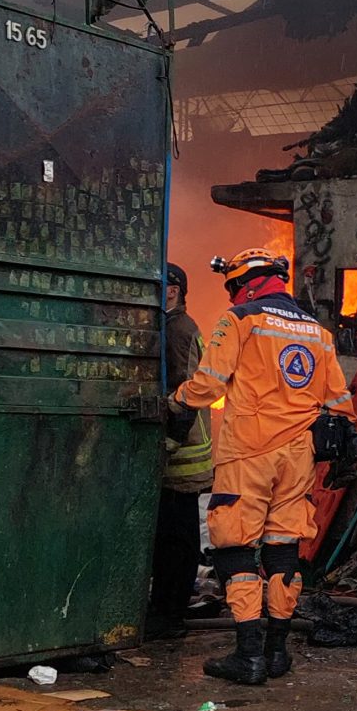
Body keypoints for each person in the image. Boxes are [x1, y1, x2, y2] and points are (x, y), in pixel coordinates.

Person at [174, 247, 351, 685]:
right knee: (283, 549)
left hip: (248, 454)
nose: (232, 295)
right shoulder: (318, 332)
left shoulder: (240, 319)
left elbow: (208, 385)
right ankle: (276, 652)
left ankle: (248, 654)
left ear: (245, 284)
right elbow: (340, 403)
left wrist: (173, 401)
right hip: (298, 458)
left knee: (235, 547)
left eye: (233, 287)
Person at [150, 264, 214, 637]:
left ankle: (169, 616)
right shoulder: (174, 326)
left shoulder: (178, 331)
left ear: (173, 290)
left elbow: (186, 392)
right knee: (172, 537)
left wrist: (171, 440)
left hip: (182, 454)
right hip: (181, 452)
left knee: (177, 540)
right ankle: (165, 610)